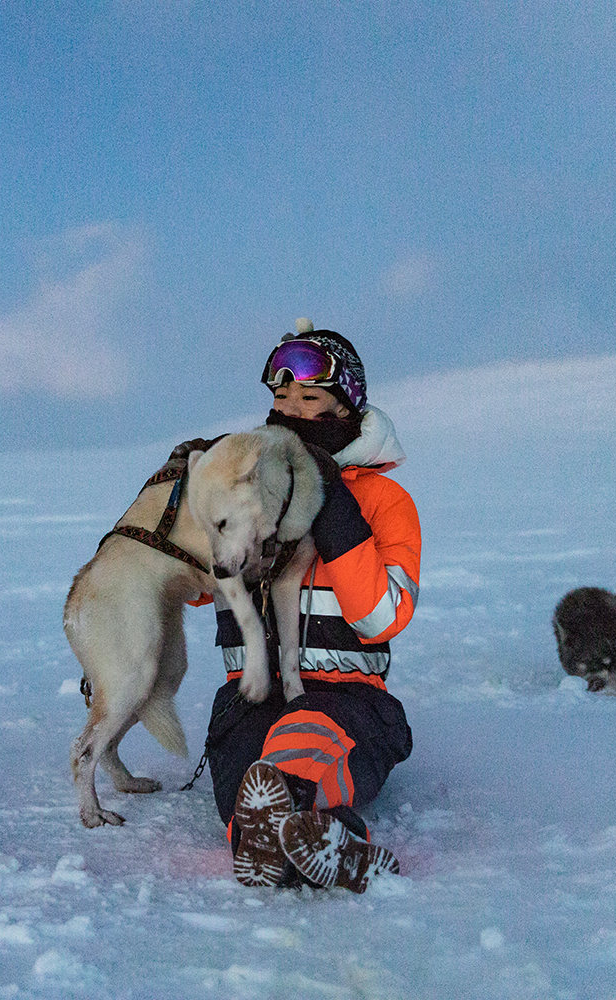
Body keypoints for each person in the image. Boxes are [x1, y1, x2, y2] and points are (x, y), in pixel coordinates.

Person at [190, 319, 420, 891]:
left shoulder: (384, 501)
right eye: (280, 395)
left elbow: (381, 615)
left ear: (344, 407)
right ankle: (290, 843)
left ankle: (319, 838)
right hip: (251, 697)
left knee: (307, 737)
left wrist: (335, 506)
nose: (289, 408)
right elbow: (189, 585)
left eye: (309, 396)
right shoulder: (244, 483)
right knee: (248, 780)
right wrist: (186, 498)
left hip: (350, 703)